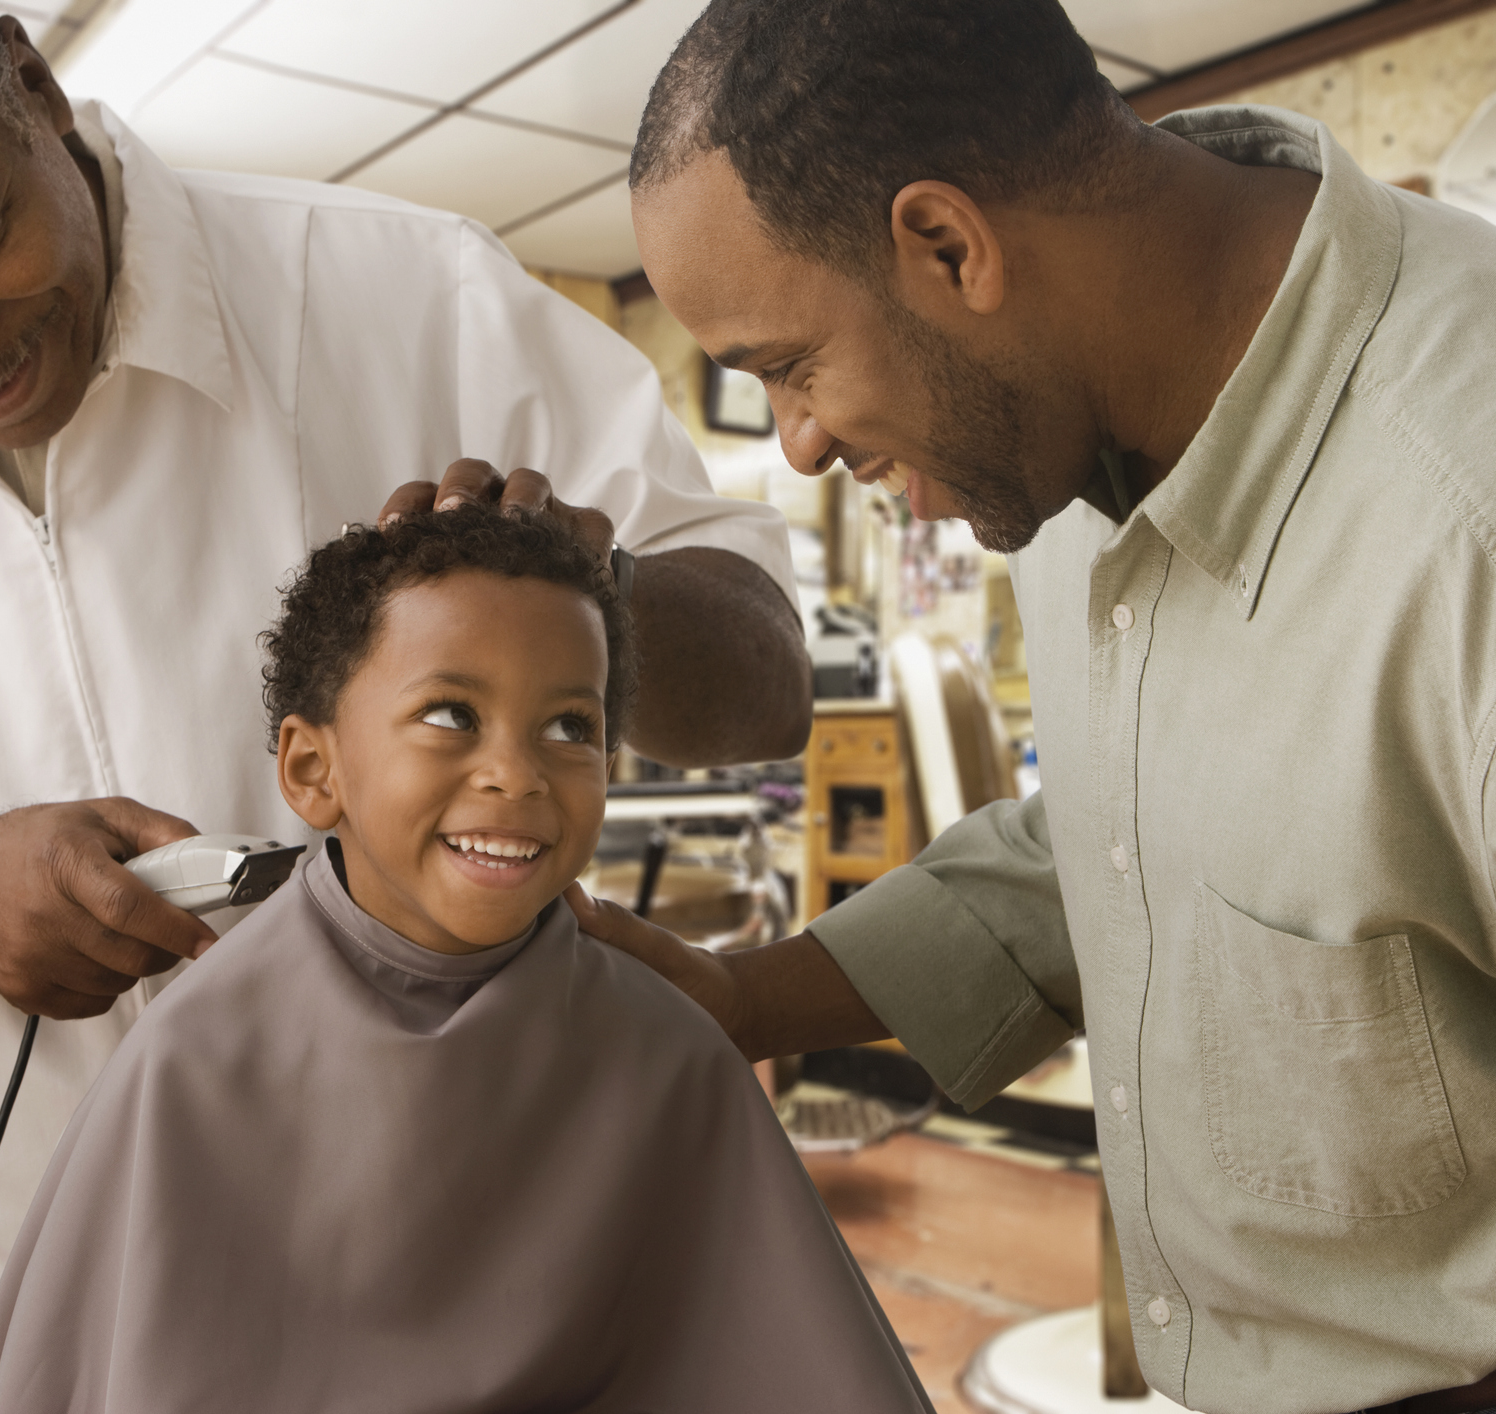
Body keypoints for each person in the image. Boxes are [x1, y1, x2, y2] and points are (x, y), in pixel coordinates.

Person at [0, 1, 811, 1408]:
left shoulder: (411, 294)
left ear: (28, 82)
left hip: (449, 1317)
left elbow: (766, 679)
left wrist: (573, 598)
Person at [579, 2, 1496, 1412]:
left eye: (788, 366)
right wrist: (740, 998)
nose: (801, 444)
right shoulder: (1056, 434)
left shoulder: (1462, 501)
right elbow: (1132, 836)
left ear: (949, 245)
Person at [0, 504, 932, 1414]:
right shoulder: (197, 1063)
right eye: (452, 715)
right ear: (312, 769)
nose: (516, 772)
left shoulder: (668, 1057)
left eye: (570, 728)